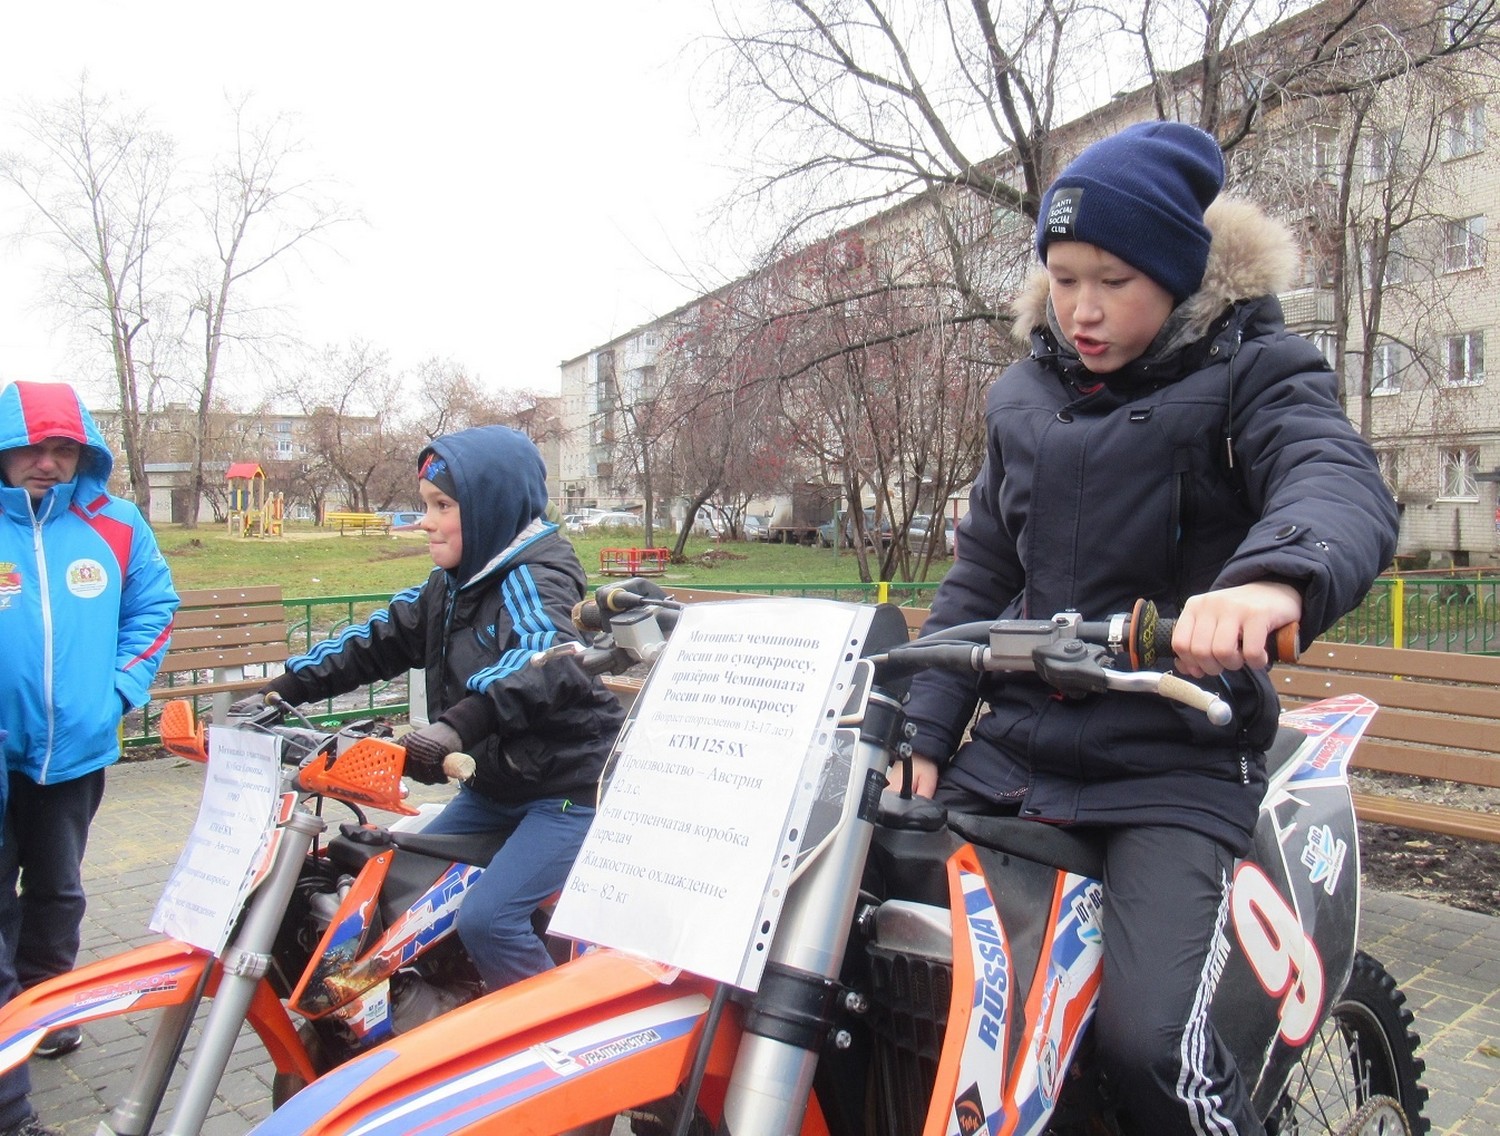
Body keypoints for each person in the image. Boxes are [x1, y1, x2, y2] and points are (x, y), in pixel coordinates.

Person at [898, 122, 1399, 1136]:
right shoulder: (1024, 396)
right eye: (1065, 274)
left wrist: (1272, 577)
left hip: (1172, 757)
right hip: (1017, 753)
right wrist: (921, 727)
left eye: (1114, 279)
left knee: (1147, 1042)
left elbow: (1332, 476)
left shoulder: (1256, 368)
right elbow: (985, 572)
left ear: (1174, 273)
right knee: (895, 972)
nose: (1082, 307)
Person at [233, 425, 624, 992]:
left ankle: (552, 1047)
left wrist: (455, 726)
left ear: (492, 509)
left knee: (490, 919)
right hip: (495, 792)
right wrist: (284, 688)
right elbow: (377, 639)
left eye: (443, 506)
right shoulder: (452, 584)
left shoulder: (535, 578)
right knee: (395, 870)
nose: (426, 520)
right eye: (425, 505)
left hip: (567, 792)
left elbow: (545, 655)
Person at [0, 380, 179, 1136]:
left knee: (59, 893)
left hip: (74, 751)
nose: (47, 463)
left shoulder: (116, 524)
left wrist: (115, 694)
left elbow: (153, 608)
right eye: (33, 448)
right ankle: (10, 1104)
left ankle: (49, 1010)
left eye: (63, 449)